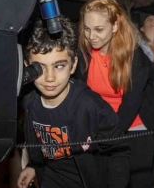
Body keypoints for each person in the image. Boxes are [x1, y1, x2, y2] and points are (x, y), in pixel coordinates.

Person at [17, 16, 129, 188]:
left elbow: (119, 153)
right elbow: (39, 144)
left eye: (59, 65)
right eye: (40, 67)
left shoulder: (91, 105)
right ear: (27, 67)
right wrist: (33, 166)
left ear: (73, 64)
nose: (50, 77)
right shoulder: (29, 101)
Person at [75, 0, 154, 188]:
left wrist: (107, 135)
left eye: (99, 29)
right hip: (102, 127)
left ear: (115, 26)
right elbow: (80, 94)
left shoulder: (134, 56)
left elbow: (131, 104)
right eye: (87, 28)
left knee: (137, 182)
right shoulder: (83, 53)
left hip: (137, 127)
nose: (91, 36)